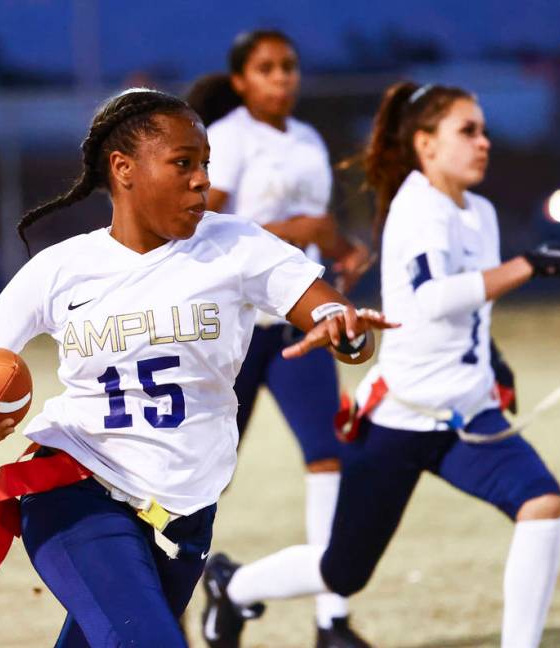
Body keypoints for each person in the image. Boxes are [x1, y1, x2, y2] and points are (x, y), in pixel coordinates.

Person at [0, 87, 395, 648]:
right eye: (183, 163)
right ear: (124, 169)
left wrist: (344, 330)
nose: (202, 180)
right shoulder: (60, 269)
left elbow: (333, 316)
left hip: (183, 518)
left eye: (206, 164)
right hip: (77, 489)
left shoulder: (236, 244)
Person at [200, 81, 560, 648]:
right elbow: (433, 298)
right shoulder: (416, 207)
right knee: (343, 570)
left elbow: (470, 310)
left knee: (542, 502)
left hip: (467, 418)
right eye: (468, 131)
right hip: (398, 419)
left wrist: (494, 364)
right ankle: (233, 587)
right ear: (426, 145)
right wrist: (527, 265)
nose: (484, 142)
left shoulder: (479, 210)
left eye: (483, 130)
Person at [186, 30, 373, 648]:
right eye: (267, 68)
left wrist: (341, 251)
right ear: (240, 80)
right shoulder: (230, 138)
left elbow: (312, 235)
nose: (282, 77)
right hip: (234, 330)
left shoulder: (310, 140)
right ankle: (170, 611)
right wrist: (304, 226)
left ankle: (332, 622)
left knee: (330, 457)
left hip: (298, 325)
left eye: (289, 66)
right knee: (200, 477)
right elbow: (200, 227)